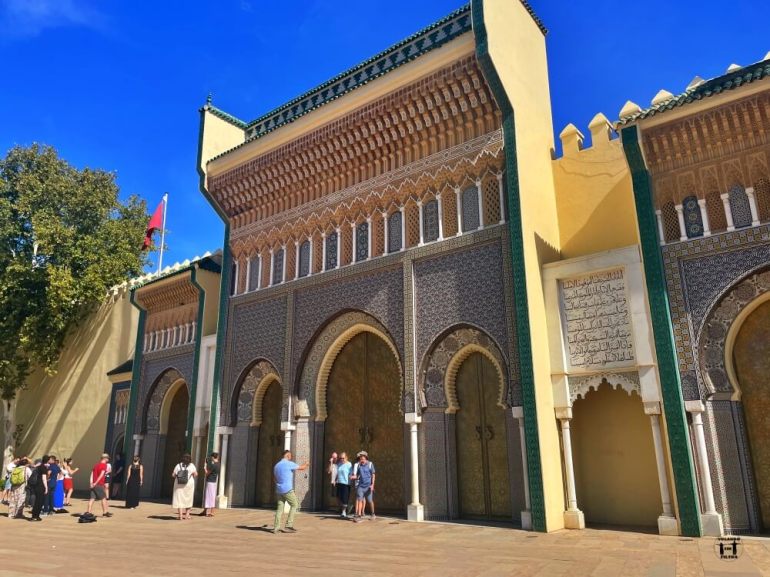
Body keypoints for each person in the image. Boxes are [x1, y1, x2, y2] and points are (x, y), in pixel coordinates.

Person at [272, 450, 308, 534]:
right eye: (290, 456)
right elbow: (302, 468)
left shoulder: (276, 465)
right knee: (295, 504)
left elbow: (274, 478)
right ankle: (288, 525)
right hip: (287, 489)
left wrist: (279, 484)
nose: (291, 457)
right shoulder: (289, 464)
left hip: (279, 490)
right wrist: (306, 464)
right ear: (287, 455)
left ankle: (276, 528)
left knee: (279, 509)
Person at [350, 451, 376, 522]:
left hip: (368, 486)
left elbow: (373, 475)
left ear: (366, 459)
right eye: (361, 459)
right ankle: (359, 516)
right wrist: (353, 477)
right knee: (359, 500)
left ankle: (373, 514)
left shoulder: (370, 464)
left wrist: (372, 485)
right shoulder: (359, 465)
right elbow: (357, 476)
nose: (362, 460)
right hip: (361, 486)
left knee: (370, 501)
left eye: (363, 459)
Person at [172, 453, 197, 520]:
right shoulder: (192, 465)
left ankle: (180, 516)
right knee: (188, 499)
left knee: (179, 499)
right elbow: (195, 474)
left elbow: (173, 475)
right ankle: (187, 515)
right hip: (189, 485)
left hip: (179, 484)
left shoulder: (178, 465)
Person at [87, 453, 112, 518]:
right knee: (103, 498)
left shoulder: (96, 465)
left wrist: (91, 483)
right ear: (105, 458)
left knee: (92, 498)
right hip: (99, 484)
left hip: (93, 484)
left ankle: (88, 512)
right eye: (108, 458)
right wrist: (95, 483)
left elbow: (92, 474)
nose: (108, 459)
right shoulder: (104, 465)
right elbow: (101, 475)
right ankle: (105, 512)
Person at [335, 452, 353, 518]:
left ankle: (344, 511)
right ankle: (349, 506)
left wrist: (350, 476)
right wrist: (335, 480)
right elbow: (336, 473)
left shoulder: (349, 464)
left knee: (344, 498)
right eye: (340, 458)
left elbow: (351, 472)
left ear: (346, 457)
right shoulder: (339, 464)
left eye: (343, 458)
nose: (342, 459)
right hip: (339, 482)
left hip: (346, 483)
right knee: (339, 497)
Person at [203, 452, 219, 517]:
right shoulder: (218, 464)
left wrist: (205, 468)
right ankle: (210, 511)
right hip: (214, 481)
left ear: (212, 457)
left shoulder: (213, 465)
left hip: (210, 481)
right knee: (212, 496)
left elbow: (207, 473)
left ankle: (208, 512)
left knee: (208, 496)